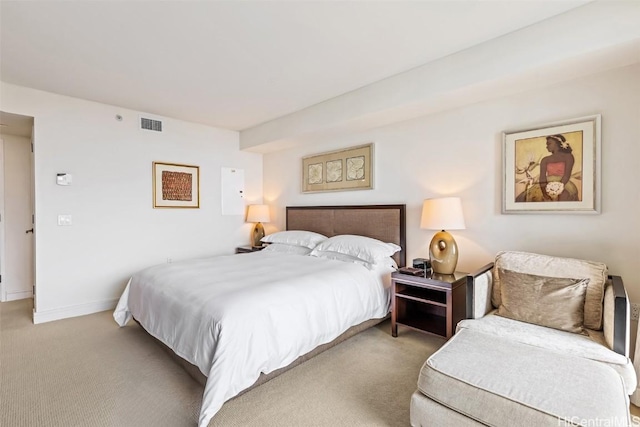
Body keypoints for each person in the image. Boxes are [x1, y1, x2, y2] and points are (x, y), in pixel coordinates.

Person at [516, 134, 579, 202]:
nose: (547, 146)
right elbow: (542, 177)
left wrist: (558, 187)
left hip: (564, 183)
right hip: (546, 184)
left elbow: (567, 175)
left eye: (549, 144)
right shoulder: (545, 160)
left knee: (565, 195)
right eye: (547, 144)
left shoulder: (568, 157)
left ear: (558, 144)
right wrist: (544, 192)